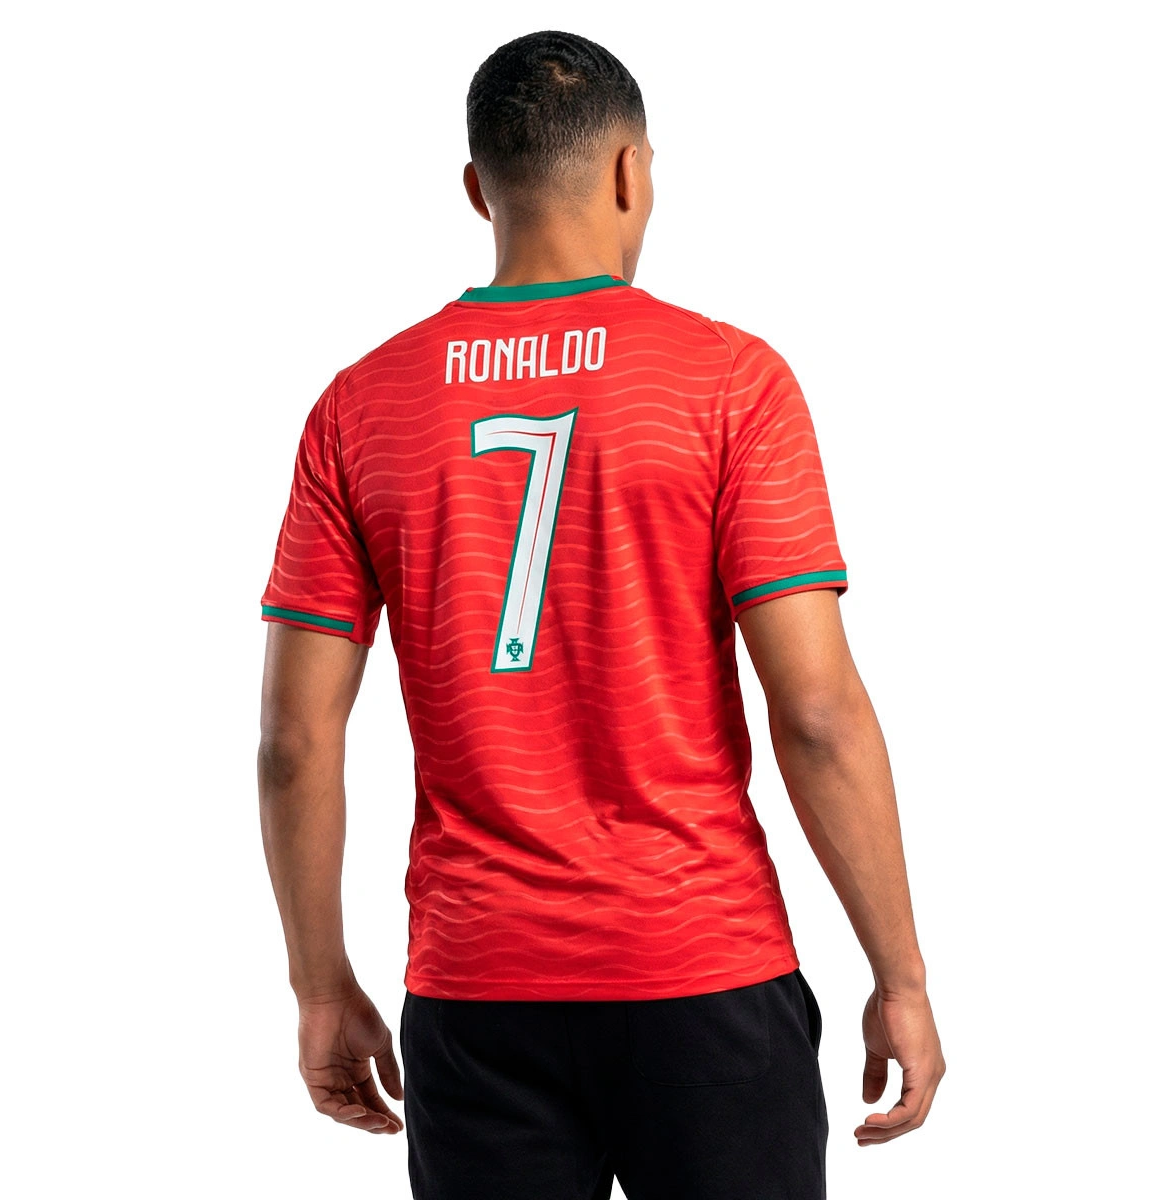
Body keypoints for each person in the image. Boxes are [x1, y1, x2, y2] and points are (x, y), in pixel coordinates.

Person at [256, 28, 944, 1200]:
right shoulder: (731, 383)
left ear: (479, 189)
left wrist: (321, 988)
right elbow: (818, 713)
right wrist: (903, 977)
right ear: (632, 170)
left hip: (477, 992)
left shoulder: (359, 407)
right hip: (703, 971)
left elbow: (293, 740)